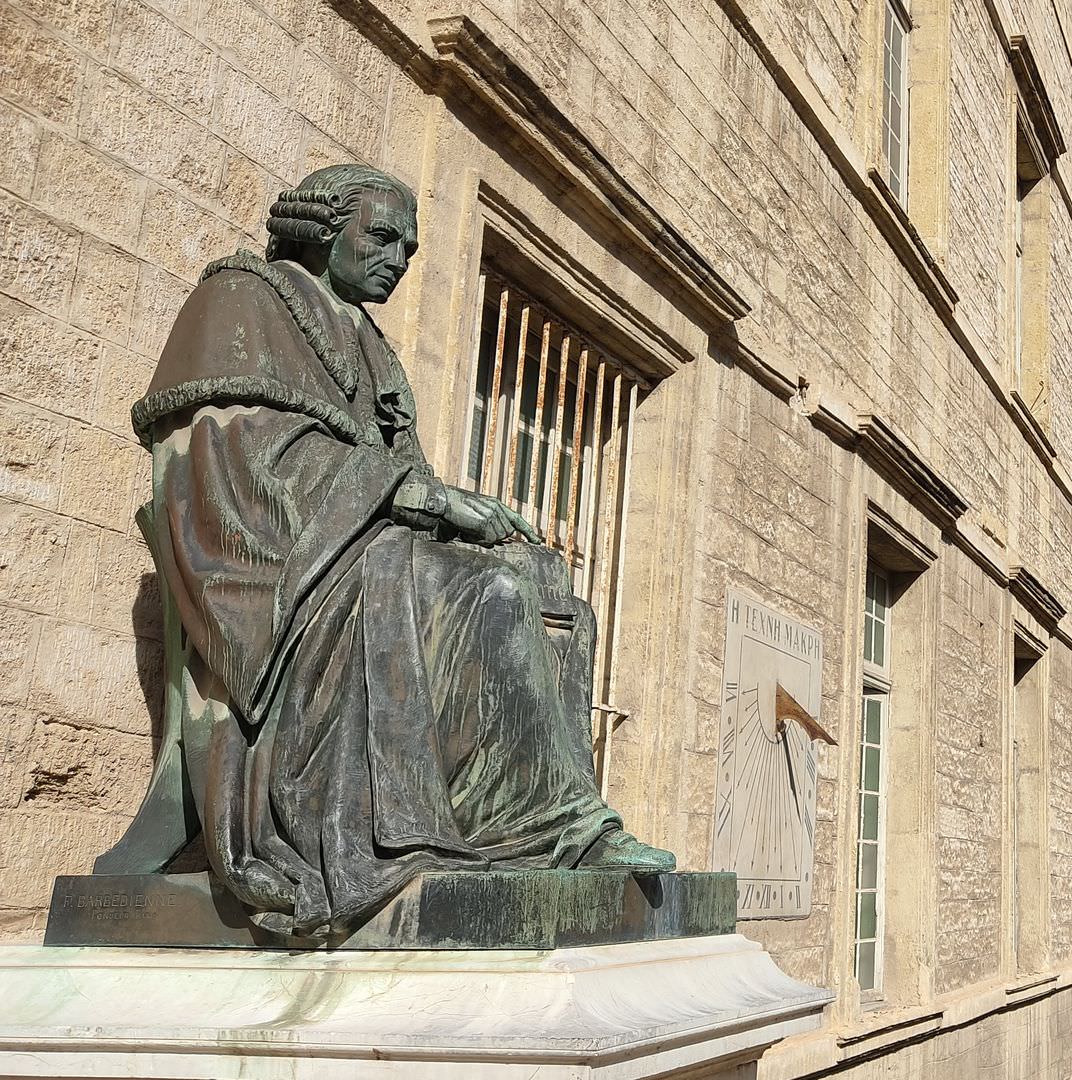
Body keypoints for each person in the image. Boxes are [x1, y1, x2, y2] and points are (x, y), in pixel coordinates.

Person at [131, 164, 673, 938]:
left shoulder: (369, 342)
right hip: (276, 571)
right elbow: (237, 462)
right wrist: (426, 502)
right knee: (485, 592)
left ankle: (531, 821)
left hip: (359, 546)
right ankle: (545, 830)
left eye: (412, 249)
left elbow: (404, 477)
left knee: (547, 589)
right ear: (323, 233)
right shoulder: (241, 301)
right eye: (381, 238)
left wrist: (452, 512)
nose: (398, 259)